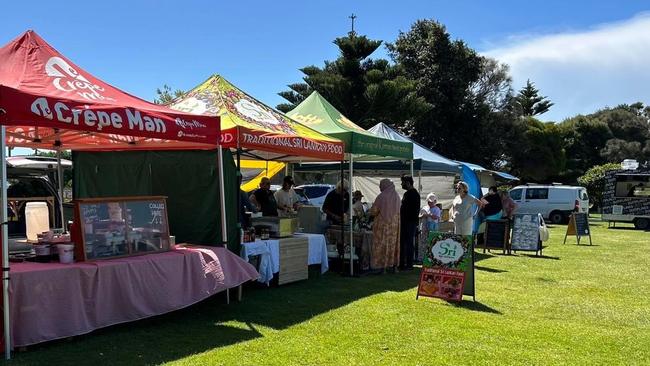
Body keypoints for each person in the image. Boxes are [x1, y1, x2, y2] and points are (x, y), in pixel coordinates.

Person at [369, 179, 401, 273]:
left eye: (380, 185)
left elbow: (374, 211)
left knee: (381, 244)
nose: (379, 187)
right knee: (393, 245)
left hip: (383, 225)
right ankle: (392, 265)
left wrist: (370, 212)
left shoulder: (382, 196)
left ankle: (381, 266)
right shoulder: (397, 196)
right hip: (395, 226)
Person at [400, 175, 420, 270]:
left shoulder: (412, 194)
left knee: (407, 243)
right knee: (406, 243)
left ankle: (408, 264)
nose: (401, 184)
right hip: (408, 222)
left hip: (409, 222)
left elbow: (410, 210)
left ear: (407, 183)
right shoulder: (410, 193)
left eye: (402, 182)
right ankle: (404, 264)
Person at [418, 193, 441, 263]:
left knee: (432, 242)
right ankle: (421, 258)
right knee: (423, 242)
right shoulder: (424, 207)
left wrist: (428, 215)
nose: (430, 203)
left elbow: (437, 217)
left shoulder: (437, 209)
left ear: (435, 201)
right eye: (428, 201)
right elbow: (419, 216)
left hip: (433, 227)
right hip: (424, 227)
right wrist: (423, 215)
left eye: (431, 202)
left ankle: (432, 258)